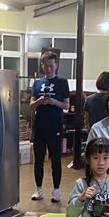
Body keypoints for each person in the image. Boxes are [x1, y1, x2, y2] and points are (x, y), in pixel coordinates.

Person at [29, 51, 70, 203]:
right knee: (38, 160)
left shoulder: (62, 82)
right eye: (46, 66)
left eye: (51, 66)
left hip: (55, 127)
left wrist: (54, 102)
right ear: (42, 65)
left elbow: (66, 105)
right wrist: (39, 101)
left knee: (56, 160)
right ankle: (38, 189)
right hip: (39, 127)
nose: (49, 69)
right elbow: (31, 106)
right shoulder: (37, 83)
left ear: (56, 65)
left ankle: (56, 191)